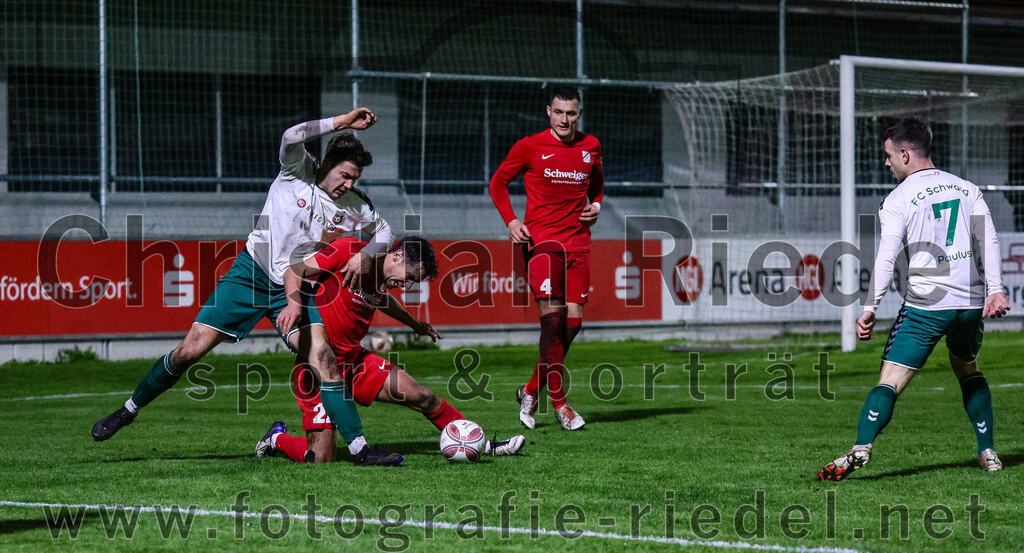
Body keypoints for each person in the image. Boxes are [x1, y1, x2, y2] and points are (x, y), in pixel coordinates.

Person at [92, 109, 401, 465]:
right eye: (345, 175)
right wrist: (342, 121)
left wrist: (367, 254)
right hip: (250, 273)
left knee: (323, 357)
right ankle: (129, 409)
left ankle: (361, 449)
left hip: (294, 286)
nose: (348, 183)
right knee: (188, 352)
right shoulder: (296, 169)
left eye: (354, 178)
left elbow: (386, 231)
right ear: (328, 163)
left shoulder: (353, 204)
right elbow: (290, 135)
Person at [817, 118, 1011, 481]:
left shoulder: (898, 199)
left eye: (889, 155)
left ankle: (861, 448)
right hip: (969, 304)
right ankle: (988, 452)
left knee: (890, 380)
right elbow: (990, 239)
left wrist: (870, 308)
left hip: (926, 307)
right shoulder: (967, 188)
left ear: (905, 154)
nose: (886, 162)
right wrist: (995, 289)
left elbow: (886, 258)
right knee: (968, 369)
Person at [255, 236, 525, 462]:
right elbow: (294, 270)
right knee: (321, 458)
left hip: (354, 363)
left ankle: (481, 444)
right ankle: (277, 438)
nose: (407, 285)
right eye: (410, 277)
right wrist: (293, 305)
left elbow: (382, 300)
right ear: (397, 256)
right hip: (317, 369)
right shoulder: (351, 252)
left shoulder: (380, 278)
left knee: (422, 395)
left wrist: (414, 324)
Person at [488, 85, 604, 431]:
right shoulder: (529, 146)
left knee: (573, 325)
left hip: (578, 242)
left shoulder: (591, 146)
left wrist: (596, 205)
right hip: (542, 243)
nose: (564, 119)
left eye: (571, 113)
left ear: (578, 114)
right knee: (552, 323)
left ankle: (529, 389)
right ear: (548, 112)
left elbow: (597, 184)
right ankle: (561, 405)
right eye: (559, 112)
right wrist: (512, 221)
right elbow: (497, 183)